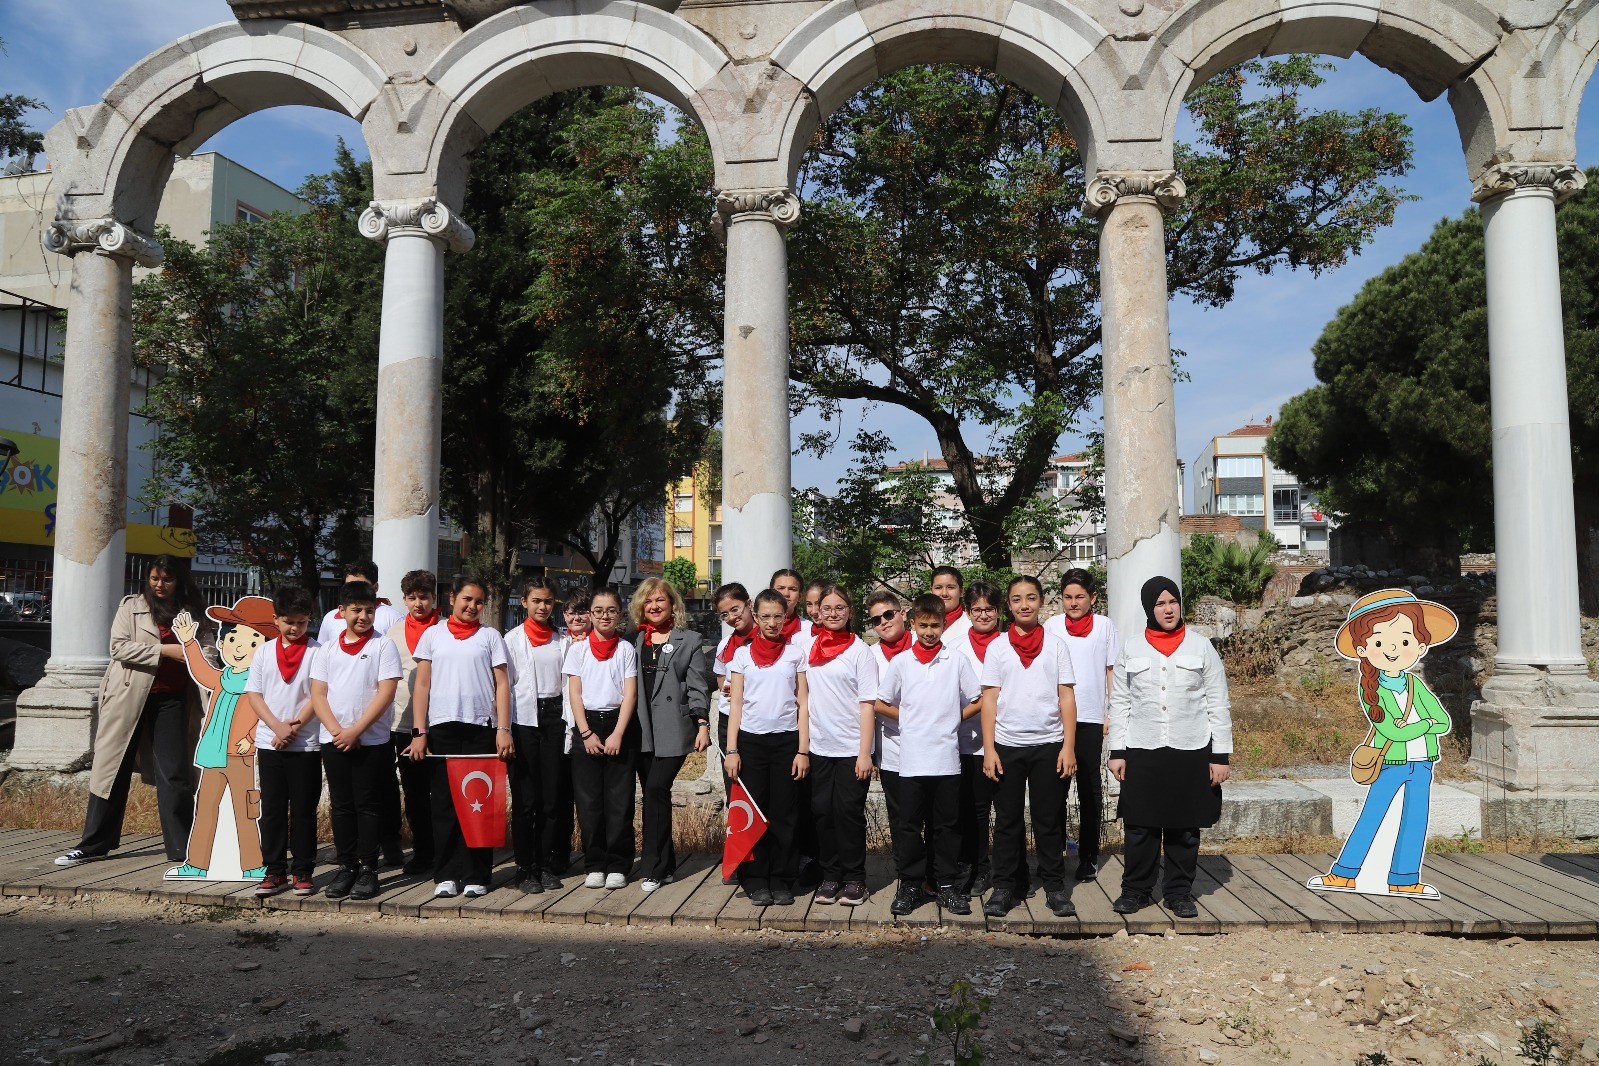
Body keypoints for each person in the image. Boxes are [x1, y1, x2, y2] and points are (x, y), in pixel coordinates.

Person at [56, 557, 210, 868]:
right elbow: (118, 648)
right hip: (127, 696)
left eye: (167, 579)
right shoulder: (132, 607)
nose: (159, 585)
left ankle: (183, 849)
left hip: (173, 699)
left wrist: (202, 659)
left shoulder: (193, 612)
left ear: (179, 581)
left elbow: (207, 650)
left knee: (175, 773)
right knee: (112, 769)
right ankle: (93, 844)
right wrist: (165, 651)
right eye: (154, 578)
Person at [1309, 590, 1456, 899]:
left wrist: (1420, 725)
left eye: (1404, 641)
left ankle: (1405, 878)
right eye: (1379, 643)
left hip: (1423, 763)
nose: (1392, 649)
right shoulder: (1372, 690)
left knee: (1415, 820)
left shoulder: (1415, 684)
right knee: (1372, 816)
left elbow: (1443, 721)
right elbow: (1392, 731)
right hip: (1390, 762)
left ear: (1420, 646)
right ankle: (1343, 874)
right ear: (1363, 649)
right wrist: (1424, 724)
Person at [1107, 577, 1232, 919]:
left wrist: (1220, 755)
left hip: (1191, 747)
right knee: (1140, 826)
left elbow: (1218, 702)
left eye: (1173, 602)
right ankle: (1135, 891)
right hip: (1142, 747)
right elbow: (1120, 702)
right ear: (1149, 608)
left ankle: (1179, 893)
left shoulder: (1201, 647)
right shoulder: (1131, 648)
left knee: (1184, 827)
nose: (1168, 609)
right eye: (1160, 603)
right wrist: (1116, 751)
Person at [876, 594, 983, 916]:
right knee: (909, 825)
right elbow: (881, 703)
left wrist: (954, 718)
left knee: (947, 825)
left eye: (935, 625)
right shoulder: (901, 662)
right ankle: (911, 884)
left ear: (944, 624)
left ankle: (946, 885)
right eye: (923, 626)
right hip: (910, 761)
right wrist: (908, 719)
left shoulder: (956, 660)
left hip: (946, 760)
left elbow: (978, 699)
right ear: (912, 624)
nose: (929, 632)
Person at [408, 575, 513, 899]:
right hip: (442, 729)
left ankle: (476, 874)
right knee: (444, 805)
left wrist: (504, 729)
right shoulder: (433, 635)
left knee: (479, 804)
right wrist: (419, 732)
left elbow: (502, 685)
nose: (472, 606)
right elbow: (421, 686)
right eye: (467, 599)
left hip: (480, 728)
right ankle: (446, 874)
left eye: (479, 601)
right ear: (452, 598)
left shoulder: (490, 636)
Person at [980, 575, 1078, 920]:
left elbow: (1066, 696)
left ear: (1041, 602)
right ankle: (1005, 886)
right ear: (1008, 605)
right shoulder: (998, 647)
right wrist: (989, 749)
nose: (1024, 605)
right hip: (1007, 745)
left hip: (1049, 745)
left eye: (1031, 598)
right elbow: (989, 699)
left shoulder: (1056, 645)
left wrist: (1068, 746)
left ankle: (1054, 887)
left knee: (1048, 819)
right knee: (1007, 821)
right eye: (1017, 599)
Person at [166, 595, 279, 881]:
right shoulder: (223, 678)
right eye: (233, 639)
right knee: (205, 808)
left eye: (253, 643)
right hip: (213, 754)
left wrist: (251, 738)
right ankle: (196, 864)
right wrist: (188, 642)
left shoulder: (260, 681)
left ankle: (252, 865)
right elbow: (202, 672)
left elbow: (266, 713)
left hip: (240, 756)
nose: (240, 648)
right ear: (221, 641)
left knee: (246, 810)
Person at [310, 581, 403, 901]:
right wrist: (338, 730)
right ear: (341, 612)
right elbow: (318, 694)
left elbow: (386, 692)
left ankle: (367, 868)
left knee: (368, 804)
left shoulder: (383, 646)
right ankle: (347, 866)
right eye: (356, 610)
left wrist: (357, 730)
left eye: (369, 610)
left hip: (371, 741)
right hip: (334, 739)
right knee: (342, 805)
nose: (363, 616)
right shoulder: (327, 649)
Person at [724, 588, 810, 906]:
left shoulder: (795, 654)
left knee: (785, 813)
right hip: (751, 743)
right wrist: (732, 750)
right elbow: (735, 705)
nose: (772, 623)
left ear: (786, 617)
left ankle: (782, 878)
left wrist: (803, 750)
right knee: (754, 812)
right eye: (766, 616)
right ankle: (756, 879)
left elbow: (803, 703)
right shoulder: (742, 655)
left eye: (778, 616)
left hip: (787, 741)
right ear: (756, 617)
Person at [630, 578, 710, 892]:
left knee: (655, 789)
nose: (654, 606)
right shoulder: (633, 639)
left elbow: (697, 686)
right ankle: (666, 866)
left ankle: (652, 868)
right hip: (641, 729)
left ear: (672, 604)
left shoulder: (689, 640)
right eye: (648, 601)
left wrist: (702, 723)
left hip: (673, 729)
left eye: (660, 600)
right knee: (655, 796)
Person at [1043, 568, 1119, 881]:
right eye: (1068, 597)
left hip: (1090, 718)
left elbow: (1111, 671)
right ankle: (1054, 855)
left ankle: (1089, 856)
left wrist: (1110, 712)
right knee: (1054, 791)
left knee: (1089, 790)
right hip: (1056, 719)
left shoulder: (1104, 626)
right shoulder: (1051, 626)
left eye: (1080, 597)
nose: (1073, 603)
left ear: (1093, 598)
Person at [803, 584, 877, 908]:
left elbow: (868, 705)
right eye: (827, 608)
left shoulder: (861, 652)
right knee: (822, 812)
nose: (833, 614)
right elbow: (798, 693)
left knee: (848, 814)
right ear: (818, 611)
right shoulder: (808, 647)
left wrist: (865, 753)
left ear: (850, 612)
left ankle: (855, 878)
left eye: (839, 608)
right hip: (819, 746)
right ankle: (830, 875)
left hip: (850, 748)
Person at [563, 586, 640, 890]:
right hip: (587, 726)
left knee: (620, 801)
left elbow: (630, 693)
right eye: (598, 611)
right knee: (589, 801)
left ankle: (619, 864)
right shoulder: (578, 650)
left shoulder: (625, 649)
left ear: (620, 614)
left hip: (619, 725)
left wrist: (618, 733)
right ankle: (594, 863)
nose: (604, 616)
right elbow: (575, 693)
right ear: (590, 614)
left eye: (611, 611)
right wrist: (586, 733)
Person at [247, 586, 321, 898]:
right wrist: (277, 727)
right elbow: (254, 694)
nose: (295, 628)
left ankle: (303, 871)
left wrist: (293, 728)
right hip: (270, 742)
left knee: (303, 809)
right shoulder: (264, 652)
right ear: (276, 619)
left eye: (302, 622)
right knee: (273, 809)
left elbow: (318, 696)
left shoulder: (317, 652)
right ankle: (274, 870)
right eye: (289, 622)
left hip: (305, 744)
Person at [504, 577, 573, 893]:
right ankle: (524, 867)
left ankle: (544, 865)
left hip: (554, 719)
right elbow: (505, 686)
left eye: (547, 601)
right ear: (524, 603)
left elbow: (568, 683)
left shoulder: (563, 640)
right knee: (525, 799)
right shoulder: (512, 640)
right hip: (524, 721)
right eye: (536, 601)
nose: (542, 607)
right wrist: (504, 729)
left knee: (551, 798)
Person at [951, 579, 1003, 895]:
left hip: (1005, 738)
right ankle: (976, 867)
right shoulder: (955, 649)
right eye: (977, 609)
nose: (983, 615)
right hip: (968, 741)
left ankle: (1010, 870)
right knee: (973, 808)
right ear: (968, 612)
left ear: (999, 611)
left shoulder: (1010, 644)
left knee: (1006, 811)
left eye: (989, 609)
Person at [387, 569, 439, 876]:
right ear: (404, 599)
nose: (418, 603)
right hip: (403, 724)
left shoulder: (446, 629)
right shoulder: (392, 633)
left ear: (434, 597)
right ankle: (422, 852)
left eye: (424, 597)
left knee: (442, 793)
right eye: (411, 598)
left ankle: (446, 852)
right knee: (414, 793)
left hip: (441, 723)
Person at [864, 590, 913, 836]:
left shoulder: (925, 642)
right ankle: (905, 861)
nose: (883, 622)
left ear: (902, 613)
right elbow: (870, 702)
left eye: (888, 615)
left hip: (931, 743)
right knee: (899, 815)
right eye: (876, 620)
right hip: (891, 746)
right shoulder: (870, 656)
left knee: (934, 814)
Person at [711, 582, 756, 799]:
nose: (731, 617)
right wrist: (730, 691)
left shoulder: (767, 638)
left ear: (749, 604)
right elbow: (721, 676)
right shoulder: (725, 645)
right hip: (728, 719)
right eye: (724, 614)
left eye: (735, 609)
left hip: (754, 718)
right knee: (733, 783)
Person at [318, 561, 404, 641]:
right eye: (349, 586)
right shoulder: (330, 618)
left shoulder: (393, 618)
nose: (354, 590)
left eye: (361, 586)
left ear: (375, 587)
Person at [931, 566, 970, 645]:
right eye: (938, 587)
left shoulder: (971, 625)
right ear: (931, 591)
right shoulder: (920, 623)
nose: (944, 593)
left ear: (961, 592)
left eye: (950, 587)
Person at [770, 568, 806, 646]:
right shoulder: (755, 626)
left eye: (793, 589)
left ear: (800, 596)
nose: (786, 594)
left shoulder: (809, 629)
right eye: (781, 588)